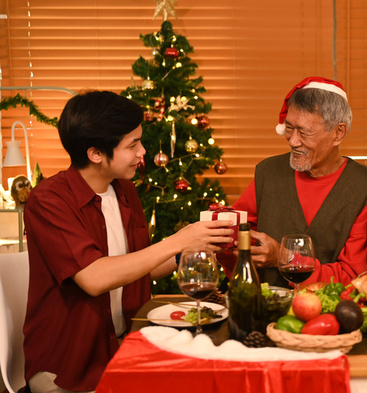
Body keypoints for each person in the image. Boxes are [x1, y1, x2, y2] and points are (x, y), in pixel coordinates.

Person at [22, 91, 234, 393]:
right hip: (69, 367)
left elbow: (138, 266)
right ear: (96, 153)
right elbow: (94, 278)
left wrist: (188, 250)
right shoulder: (49, 200)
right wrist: (176, 241)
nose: (143, 152)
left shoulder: (123, 190)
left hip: (123, 347)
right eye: (132, 144)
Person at [227, 76, 367, 287]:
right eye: (289, 128)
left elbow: (355, 277)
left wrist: (285, 259)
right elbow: (234, 245)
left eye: (304, 131)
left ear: (338, 133)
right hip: (265, 310)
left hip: (332, 315)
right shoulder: (268, 173)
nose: (293, 141)